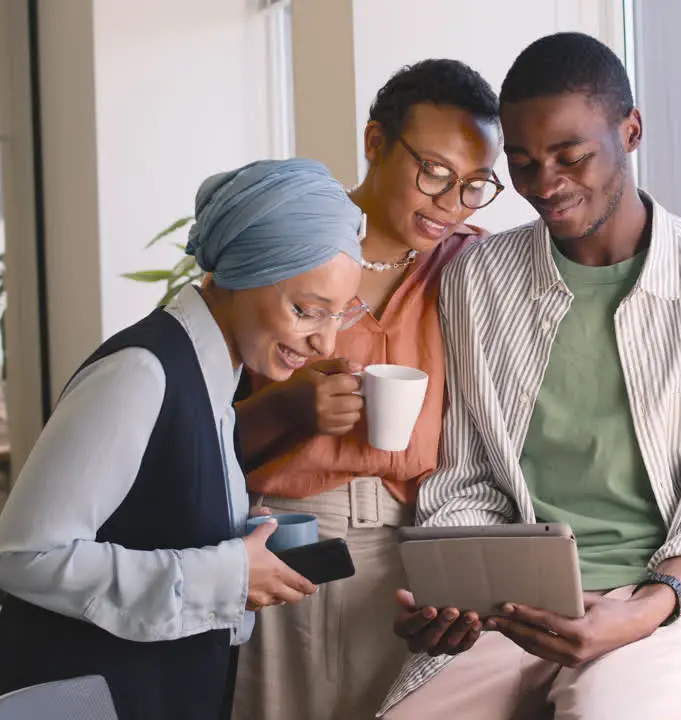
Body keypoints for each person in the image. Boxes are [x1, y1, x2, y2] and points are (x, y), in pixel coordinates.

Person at [378, 33, 681, 720]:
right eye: (521, 163)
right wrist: (459, 589)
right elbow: (466, 475)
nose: (543, 184)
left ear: (631, 131)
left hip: (662, 604)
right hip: (513, 603)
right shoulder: (477, 280)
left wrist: (649, 606)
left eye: (569, 156)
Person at [0, 159, 367, 720]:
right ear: (239, 272)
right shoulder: (141, 372)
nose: (323, 341)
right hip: (81, 697)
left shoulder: (215, 377)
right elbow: (23, 556)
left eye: (339, 316)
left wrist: (235, 542)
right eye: (306, 311)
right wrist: (226, 574)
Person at [228, 59, 503, 720]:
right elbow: (200, 436)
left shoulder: (475, 266)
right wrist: (290, 407)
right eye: (434, 172)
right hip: (287, 537)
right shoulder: (285, 246)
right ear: (375, 143)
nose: (449, 203)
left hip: (420, 550)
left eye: (474, 185)